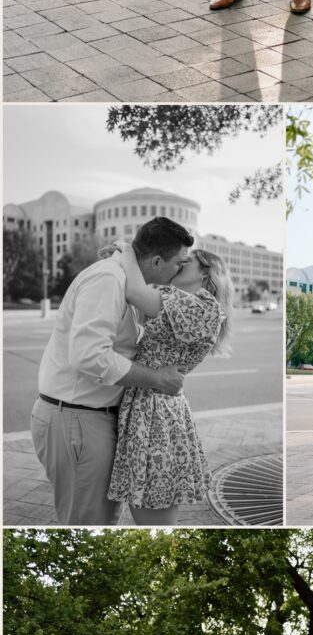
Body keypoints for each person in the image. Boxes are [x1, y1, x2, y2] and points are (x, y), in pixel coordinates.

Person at [30, 218, 193, 525]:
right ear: (157, 261)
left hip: (87, 418)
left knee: (104, 519)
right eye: (179, 264)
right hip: (78, 419)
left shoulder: (125, 280)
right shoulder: (108, 279)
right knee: (90, 522)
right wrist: (157, 378)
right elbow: (90, 356)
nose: (179, 272)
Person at [107, 235, 233, 525]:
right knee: (146, 507)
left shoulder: (202, 307)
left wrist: (127, 249)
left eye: (186, 263)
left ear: (205, 272)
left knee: (153, 511)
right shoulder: (184, 302)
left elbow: (134, 290)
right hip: (152, 409)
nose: (178, 266)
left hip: (156, 416)